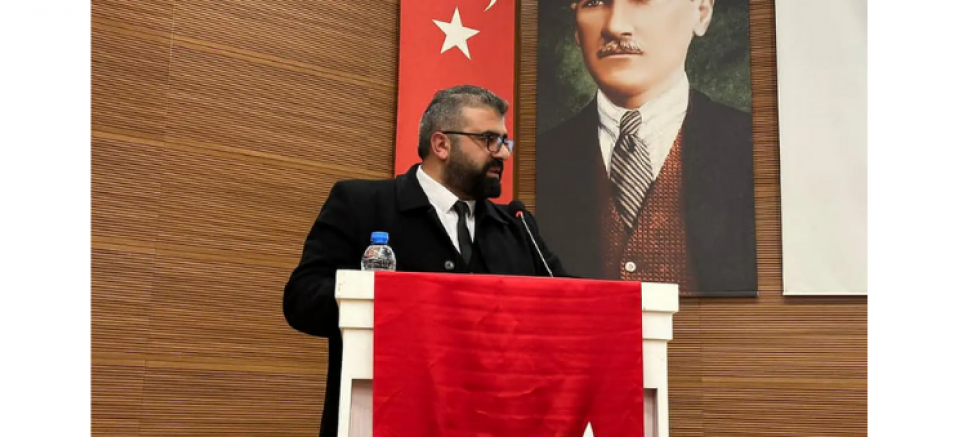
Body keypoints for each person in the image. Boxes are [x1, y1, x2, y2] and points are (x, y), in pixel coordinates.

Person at [283, 85, 567, 437]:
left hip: (497, 422)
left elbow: (568, 308)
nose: (503, 154)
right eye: (489, 140)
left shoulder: (517, 225)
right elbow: (302, 300)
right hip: (387, 417)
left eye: (503, 141)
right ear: (441, 145)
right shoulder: (362, 204)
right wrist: (394, 300)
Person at [536, 0, 757, 296]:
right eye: (594, 2)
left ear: (702, 12)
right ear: (576, 25)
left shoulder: (752, 148)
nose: (615, 26)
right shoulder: (540, 159)